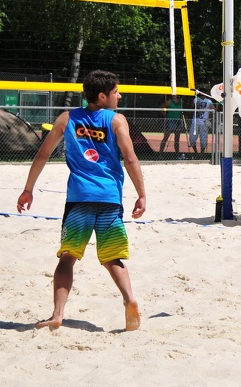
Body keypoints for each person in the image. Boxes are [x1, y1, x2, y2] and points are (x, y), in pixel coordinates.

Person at [16, 70, 146, 331]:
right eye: (116, 92)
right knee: (112, 258)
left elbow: (42, 154)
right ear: (102, 96)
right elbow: (130, 159)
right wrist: (142, 194)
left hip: (79, 198)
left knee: (67, 257)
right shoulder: (117, 120)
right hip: (109, 198)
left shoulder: (67, 118)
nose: (119, 96)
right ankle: (129, 298)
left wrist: (28, 189)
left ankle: (57, 314)